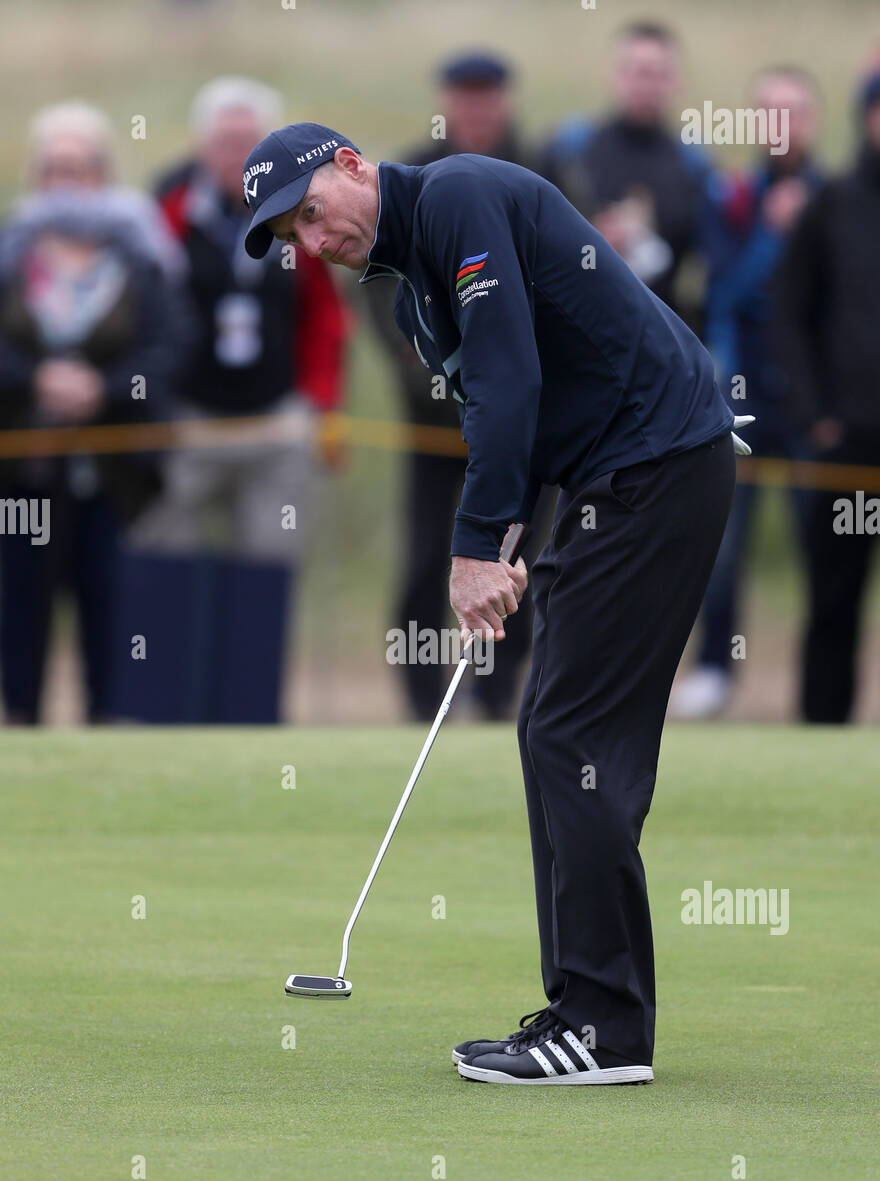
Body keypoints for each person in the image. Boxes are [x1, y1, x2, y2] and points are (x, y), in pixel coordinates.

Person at [242, 122, 749, 1086]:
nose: (313, 243)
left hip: (658, 467)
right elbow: (510, 408)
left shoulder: (457, 195)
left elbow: (513, 377)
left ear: (352, 165)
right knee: (552, 733)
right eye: (290, 239)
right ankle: (582, 1012)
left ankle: (603, 1028)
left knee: (571, 737)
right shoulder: (412, 301)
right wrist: (512, 533)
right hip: (618, 479)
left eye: (311, 215)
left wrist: (476, 548)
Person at [118, 77, 350, 723]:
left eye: (246, 142)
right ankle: (158, 713)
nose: (234, 154)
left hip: (275, 417)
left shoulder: (296, 209)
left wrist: (322, 404)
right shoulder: (166, 206)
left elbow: (326, 318)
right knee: (165, 562)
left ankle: (250, 718)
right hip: (187, 418)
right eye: (224, 141)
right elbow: (139, 312)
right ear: (202, 144)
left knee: (266, 571)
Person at [363, 51, 552, 722]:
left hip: (522, 424)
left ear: (504, 100)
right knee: (425, 558)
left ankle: (499, 697)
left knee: (514, 557)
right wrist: (427, 362)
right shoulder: (411, 173)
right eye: (463, 96)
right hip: (433, 419)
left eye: (486, 95)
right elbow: (379, 287)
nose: (475, 109)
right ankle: (420, 698)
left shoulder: (543, 169)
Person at [0, 102, 180, 723]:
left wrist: (103, 388)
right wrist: (37, 379)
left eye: (80, 167)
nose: (66, 182)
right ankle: (21, 728)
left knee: (109, 607)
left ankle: (108, 731)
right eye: (54, 168)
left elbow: (166, 348)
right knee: (21, 608)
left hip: (113, 473)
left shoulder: (140, 255)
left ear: (103, 172)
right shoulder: (12, 254)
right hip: (25, 473)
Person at [672, 67, 824, 720]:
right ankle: (714, 671)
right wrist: (773, 233)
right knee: (723, 544)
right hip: (738, 396)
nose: (780, 125)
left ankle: (821, 685)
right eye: (768, 112)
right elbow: (725, 289)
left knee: (822, 543)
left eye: (791, 112)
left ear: (812, 120)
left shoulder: (835, 196)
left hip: (813, 402)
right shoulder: (731, 196)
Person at [775, 68, 880, 723]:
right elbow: (789, 313)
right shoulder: (832, 204)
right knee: (834, 596)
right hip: (849, 439)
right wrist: (815, 415)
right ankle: (821, 726)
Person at [540, 20, 710, 321]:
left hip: (662, 329)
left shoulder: (694, 163)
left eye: (658, 74)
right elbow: (533, 241)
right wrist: (590, 242)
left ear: (676, 82)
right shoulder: (568, 149)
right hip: (573, 324)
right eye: (636, 72)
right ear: (613, 76)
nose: (646, 85)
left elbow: (713, 262)